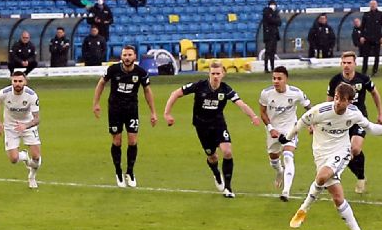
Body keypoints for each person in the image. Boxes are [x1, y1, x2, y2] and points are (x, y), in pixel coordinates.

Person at [283, 83, 382, 230]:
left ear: (350, 101)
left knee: (322, 177)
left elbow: (370, 128)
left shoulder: (354, 113)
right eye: (337, 98)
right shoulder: (320, 111)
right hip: (320, 154)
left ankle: (304, 209)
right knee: (338, 198)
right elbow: (300, 123)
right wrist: (287, 138)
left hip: (341, 152)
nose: (338, 102)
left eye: (342, 100)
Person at [163, 60, 263, 197]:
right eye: (213, 73)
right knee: (212, 156)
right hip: (202, 126)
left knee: (227, 152)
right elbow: (175, 93)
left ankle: (228, 188)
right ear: (209, 74)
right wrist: (167, 113)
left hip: (218, 124)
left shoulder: (226, 89)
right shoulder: (199, 86)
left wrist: (253, 116)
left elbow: (241, 104)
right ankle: (216, 174)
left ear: (223, 74)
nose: (215, 76)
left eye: (218, 73)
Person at [91, 45, 158, 187]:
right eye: (124, 55)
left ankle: (130, 172)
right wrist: (96, 103)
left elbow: (147, 91)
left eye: (129, 55)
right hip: (115, 110)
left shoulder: (140, 72)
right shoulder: (113, 69)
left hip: (132, 109)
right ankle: (118, 172)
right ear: (121, 57)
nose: (127, 58)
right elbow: (101, 83)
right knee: (117, 141)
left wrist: (153, 112)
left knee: (133, 141)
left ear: (135, 56)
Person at [328, 52, 382, 194]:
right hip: (340, 120)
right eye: (344, 63)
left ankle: (341, 175)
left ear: (354, 64)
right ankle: (361, 177)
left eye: (349, 63)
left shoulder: (363, 79)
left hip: (359, 118)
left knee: (355, 149)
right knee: (345, 152)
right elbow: (328, 102)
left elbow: (375, 93)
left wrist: (380, 113)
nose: (346, 66)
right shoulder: (335, 81)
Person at [258, 67, 311, 201]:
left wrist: (311, 124)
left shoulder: (296, 93)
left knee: (288, 157)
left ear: (286, 79)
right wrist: (271, 129)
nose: (276, 81)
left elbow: (309, 108)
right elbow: (263, 113)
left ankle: (286, 191)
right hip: (273, 131)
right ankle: (279, 171)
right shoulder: (266, 93)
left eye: (279, 78)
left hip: (290, 130)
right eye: (274, 78)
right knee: (274, 160)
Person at [0, 69, 43, 189]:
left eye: (20, 81)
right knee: (14, 159)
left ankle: (32, 176)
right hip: (10, 127)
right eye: (15, 81)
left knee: (36, 157)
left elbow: (37, 119)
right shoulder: (4, 93)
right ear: (11, 81)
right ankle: (24, 156)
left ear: (25, 82)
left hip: (28, 125)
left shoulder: (32, 95)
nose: (17, 84)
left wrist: (25, 126)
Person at [360, 0, 382, 75]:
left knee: (377, 56)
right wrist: (362, 36)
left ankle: (375, 71)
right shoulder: (366, 14)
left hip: (377, 38)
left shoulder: (381, 14)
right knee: (365, 56)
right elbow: (362, 27)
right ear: (369, 5)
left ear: (377, 5)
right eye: (371, 4)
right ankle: (364, 71)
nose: (373, 5)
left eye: (374, 4)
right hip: (367, 38)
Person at [261, 0, 281, 72]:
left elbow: (279, 22)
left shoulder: (276, 13)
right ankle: (266, 68)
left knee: (273, 52)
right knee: (268, 51)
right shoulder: (266, 12)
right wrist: (274, 18)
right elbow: (270, 20)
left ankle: (272, 67)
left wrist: (274, 18)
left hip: (275, 35)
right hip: (268, 35)